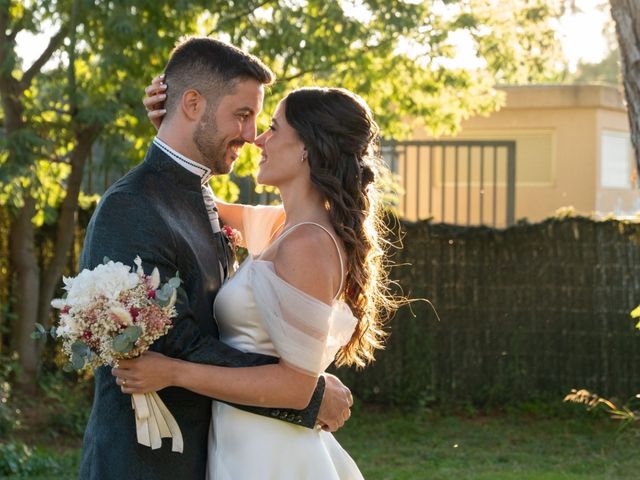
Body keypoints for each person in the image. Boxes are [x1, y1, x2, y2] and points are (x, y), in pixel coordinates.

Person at [79, 37, 353, 480]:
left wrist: (179, 129)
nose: (252, 135)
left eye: (264, 123)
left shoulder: (205, 199)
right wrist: (307, 396)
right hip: (147, 464)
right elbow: (180, 345)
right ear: (192, 104)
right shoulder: (130, 208)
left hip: (224, 454)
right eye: (243, 116)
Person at [112, 79, 395, 478]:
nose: (259, 139)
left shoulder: (309, 245)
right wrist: (174, 127)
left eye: (275, 127)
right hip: (239, 440)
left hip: (269, 452)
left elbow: (298, 388)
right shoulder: (283, 225)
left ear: (307, 149)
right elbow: (197, 200)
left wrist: (173, 372)